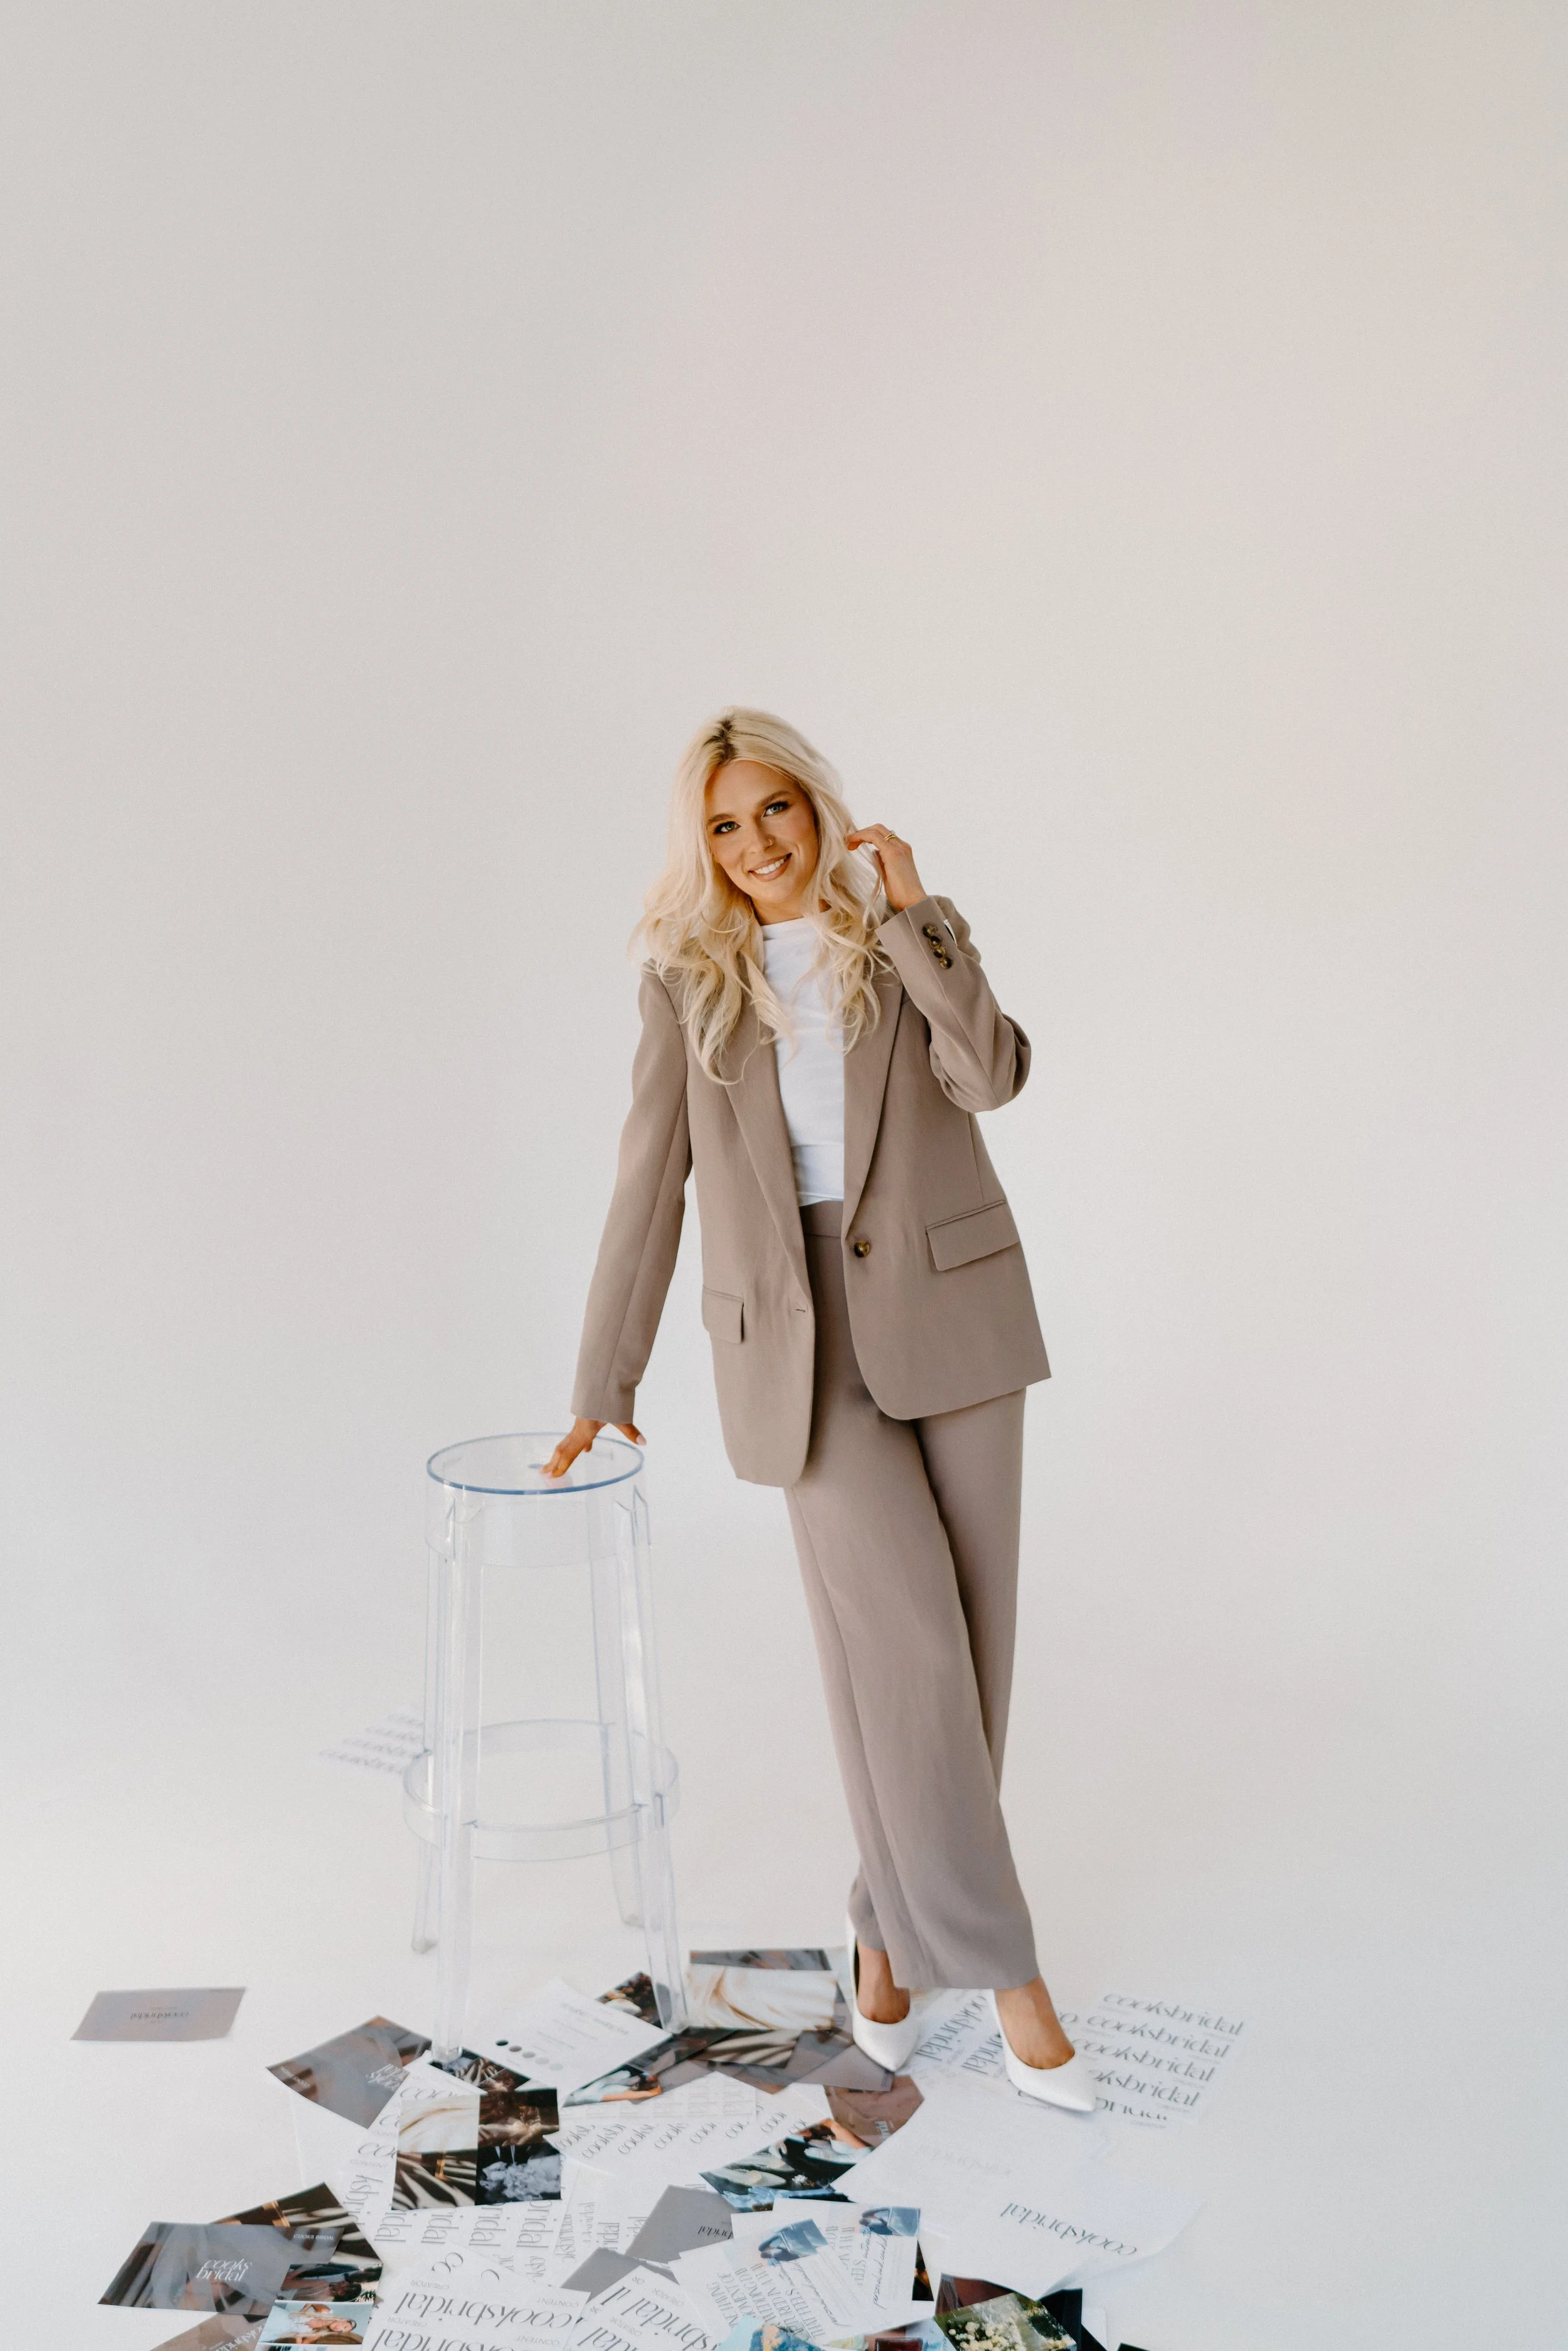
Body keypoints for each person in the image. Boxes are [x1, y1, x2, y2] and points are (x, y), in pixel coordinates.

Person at [546, 708, 1093, 2111]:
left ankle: (881, 1935)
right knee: (903, 1644)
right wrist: (601, 1383)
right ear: (702, 847)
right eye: (723, 825)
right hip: (795, 1348)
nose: (755, 844)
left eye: (774, 809)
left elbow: (994, 1073)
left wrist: (923, 917)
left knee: (966, 1656)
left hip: (953, 1316)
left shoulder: (895, 948)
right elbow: (644, 1190)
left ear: (818, 806)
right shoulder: (684, 982)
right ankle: (1006, 1967)